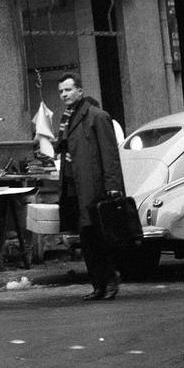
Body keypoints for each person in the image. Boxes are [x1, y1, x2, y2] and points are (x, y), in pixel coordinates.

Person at [56, 73, 125, 301]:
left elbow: (110, 154)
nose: (64, 95)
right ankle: (98, 285)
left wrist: (112, 186)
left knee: (99, 237)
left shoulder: (97, 116)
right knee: (86, 239)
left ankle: (110, 280)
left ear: (80, 91)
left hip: (93, 187)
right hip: (74, 187)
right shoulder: (67, 118)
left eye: (68, 90)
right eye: (61, 91)